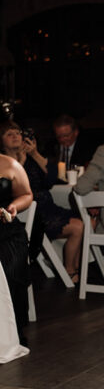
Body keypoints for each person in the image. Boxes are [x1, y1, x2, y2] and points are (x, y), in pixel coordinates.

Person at [0, 121, 84, 284]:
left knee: (86, 221)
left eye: (17, 133)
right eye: (9, 134)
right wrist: (21, 163)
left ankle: (72, 268)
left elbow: (54, 179)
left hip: (48, 207)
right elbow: (13, 192)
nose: (15, 136)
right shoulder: (5, 165)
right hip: (31, 213)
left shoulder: (31, 159)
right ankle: (70, 271)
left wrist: (35, 154)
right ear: (2, 141)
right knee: (78, 226)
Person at [0, 141, 33, 344]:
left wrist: (13, 207)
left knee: (11, 269)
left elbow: (26, 195)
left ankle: (14, 330)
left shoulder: (9, 164)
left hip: (6, 229)